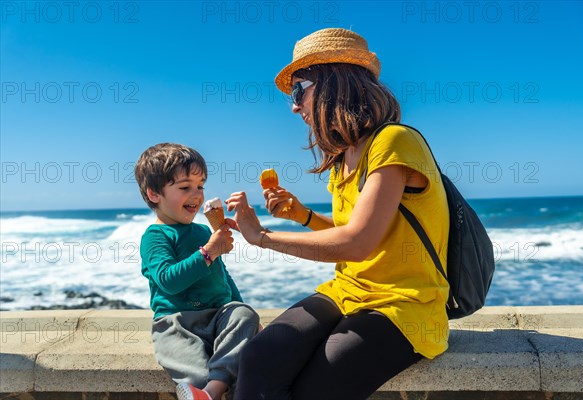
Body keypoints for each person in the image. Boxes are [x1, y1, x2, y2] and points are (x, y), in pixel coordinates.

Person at [226, 28, 450, 399]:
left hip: (405, 304)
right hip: (348, 290)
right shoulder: (342, 159)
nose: (294, 106)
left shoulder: (394, 141)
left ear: (334, 83)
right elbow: (359, 230)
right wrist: (303, 216)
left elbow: (358, 243)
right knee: (259, 357)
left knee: (316, 387)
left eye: (299, 90)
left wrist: (262, 238)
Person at [134, 143, 260, 400]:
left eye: (200, 186)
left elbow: (223, 277)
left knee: (244, 313)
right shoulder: (155, 236)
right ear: (154, 194)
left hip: (217, 318)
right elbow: (169, 281)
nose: (197, 194)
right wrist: (208, 253)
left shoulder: (204, 232)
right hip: (176, 323)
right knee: (197, 374)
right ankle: (211, 388)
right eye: (185, 187)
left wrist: (244, 318)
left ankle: (212, 391)